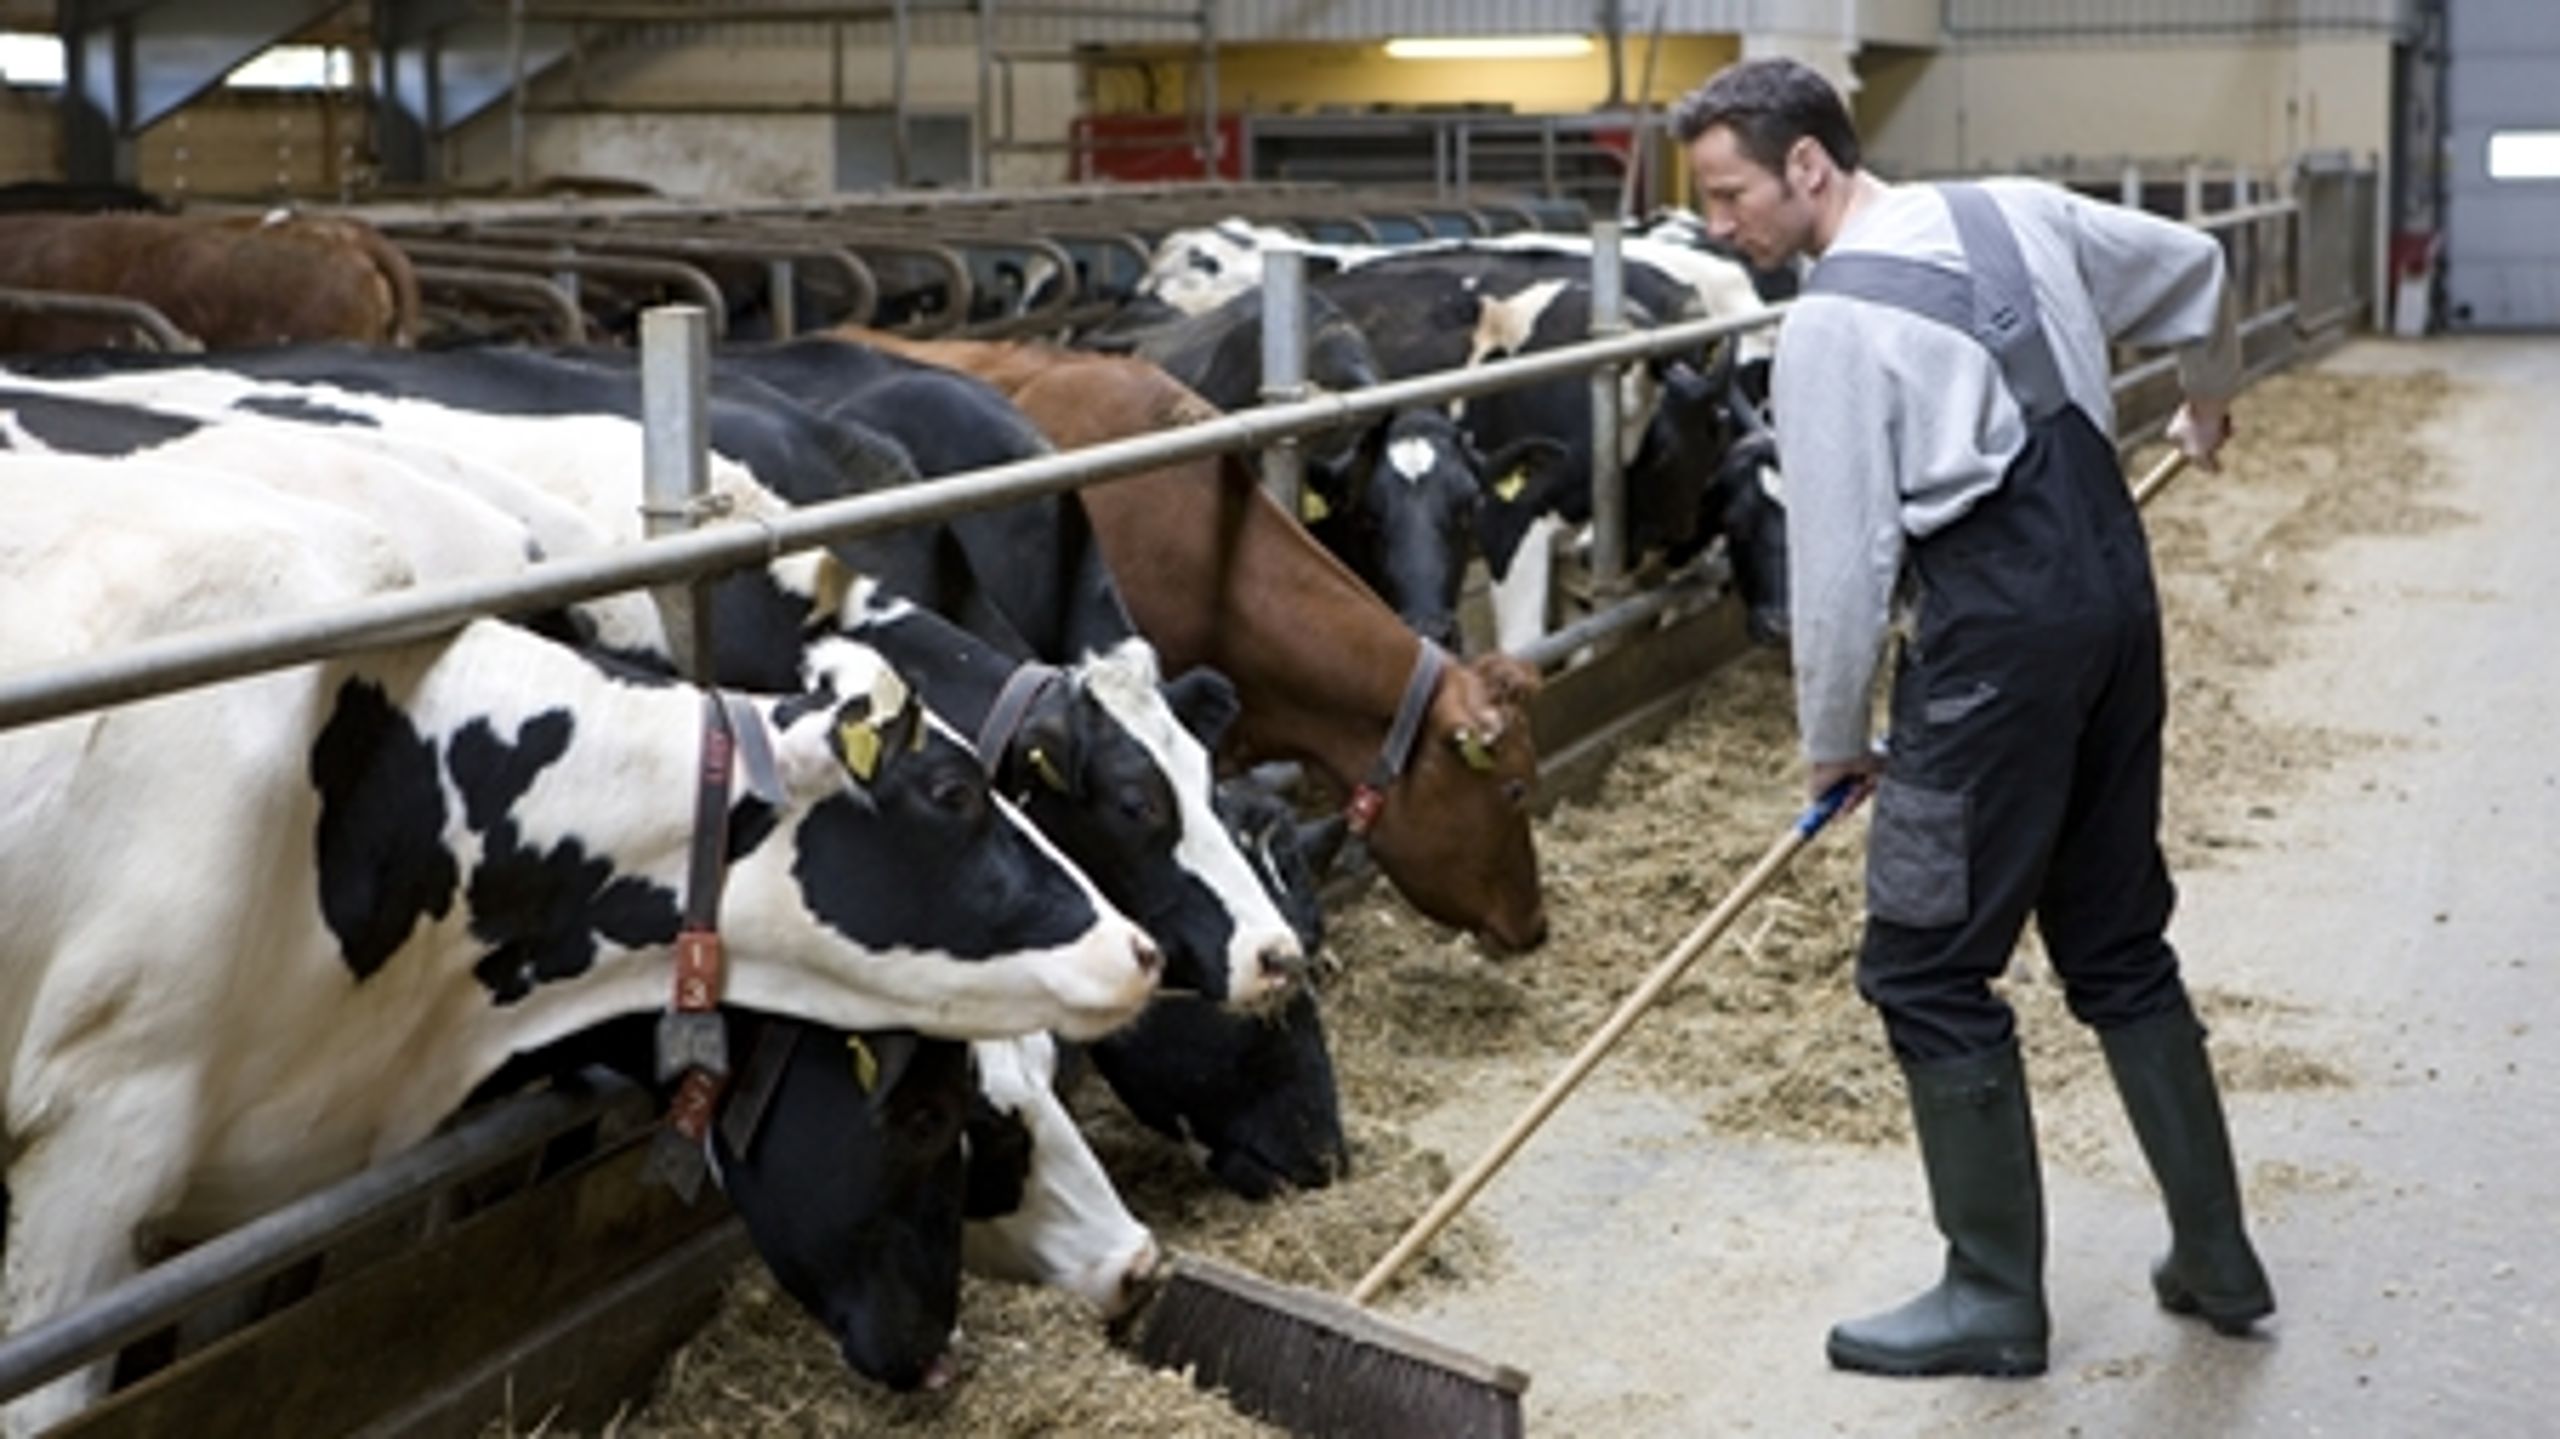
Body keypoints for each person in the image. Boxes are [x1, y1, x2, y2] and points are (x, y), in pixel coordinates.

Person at [1670, 57, 2275, 1379]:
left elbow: (1842, 571)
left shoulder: (1828, 328)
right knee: (2116, 941)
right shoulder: (2015, 210)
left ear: (1808, 165)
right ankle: (2218, 1255)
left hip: (1993, 646)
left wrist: (1835, 740)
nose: (1720, 227)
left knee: (1925, 969)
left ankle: (1993, 1297)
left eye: (1730, 195)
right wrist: (2209, 395)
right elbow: (2197, 269)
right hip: (2113, 600)